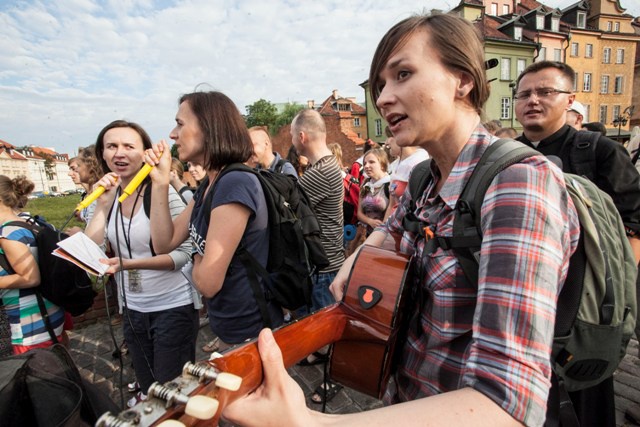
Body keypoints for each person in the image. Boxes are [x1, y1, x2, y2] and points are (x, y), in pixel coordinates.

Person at [223, 13, 579, 427]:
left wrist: (314, 424)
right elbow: (388, 235)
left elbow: (507, 402)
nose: (384, 98)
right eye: (380, 86)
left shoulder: (518, 182)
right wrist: (359, 260)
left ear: (462, 79)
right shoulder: (425, 178)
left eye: (403, 74)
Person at [514, 60, 640, 427]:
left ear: (570, 99)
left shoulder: (599, 151)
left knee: (583, 398)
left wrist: (613, 296)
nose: (532, 100)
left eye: (545, 92)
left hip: (582, 307)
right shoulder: (505, 156)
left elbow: (634, 224)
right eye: (524, 94)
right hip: (528, 302)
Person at [144, 91, 284, 354]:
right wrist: (160, 182)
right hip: (229, 324)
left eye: (180, 123)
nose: (173, 134)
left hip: (250, 331)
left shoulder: (234, 183)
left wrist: (197, 254)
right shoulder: (211, 183)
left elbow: (208, 284)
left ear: (209, 128)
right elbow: (164, 242)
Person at [84, 120, 197, 408]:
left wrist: (129, 265)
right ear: (102, 154)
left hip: (172, 305)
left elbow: (184, 253)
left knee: (172, 388)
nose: (119, 153)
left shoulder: (163, 193)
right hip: (132, 308)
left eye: (128, 146)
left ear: (145, 152)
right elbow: (89, 254)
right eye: (111, 146)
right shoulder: (105, 196)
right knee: (148, 386)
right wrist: (100, 206)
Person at [0, 175, 65, 354]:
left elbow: (30, 278)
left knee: (40, 378)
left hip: (31, 327)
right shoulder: (28, 223)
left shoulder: (8, 234)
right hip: (49, 314)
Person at [290, 109, 344, 312]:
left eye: (292, 134)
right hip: (328, 266)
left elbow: (285, 211)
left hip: (323, 271)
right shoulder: (327, 165)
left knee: (321, 338)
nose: (292, 140)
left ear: (302, 137)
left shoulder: (320, 173)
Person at [384, 132, 429, 216]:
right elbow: (391, 205)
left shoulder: (418, 163)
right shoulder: (395, 165)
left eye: (388, 137)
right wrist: (382, 227)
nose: (386, 142)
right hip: (393, 222)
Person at [357, 148, 391, 235]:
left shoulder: (390, 184)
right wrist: (369, 221)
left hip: (386, 236)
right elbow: (359, 213)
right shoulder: (365, 184)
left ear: (382, 165)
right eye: (364, 163)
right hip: (369, 234)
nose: (366, 166)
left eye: (371, 162)